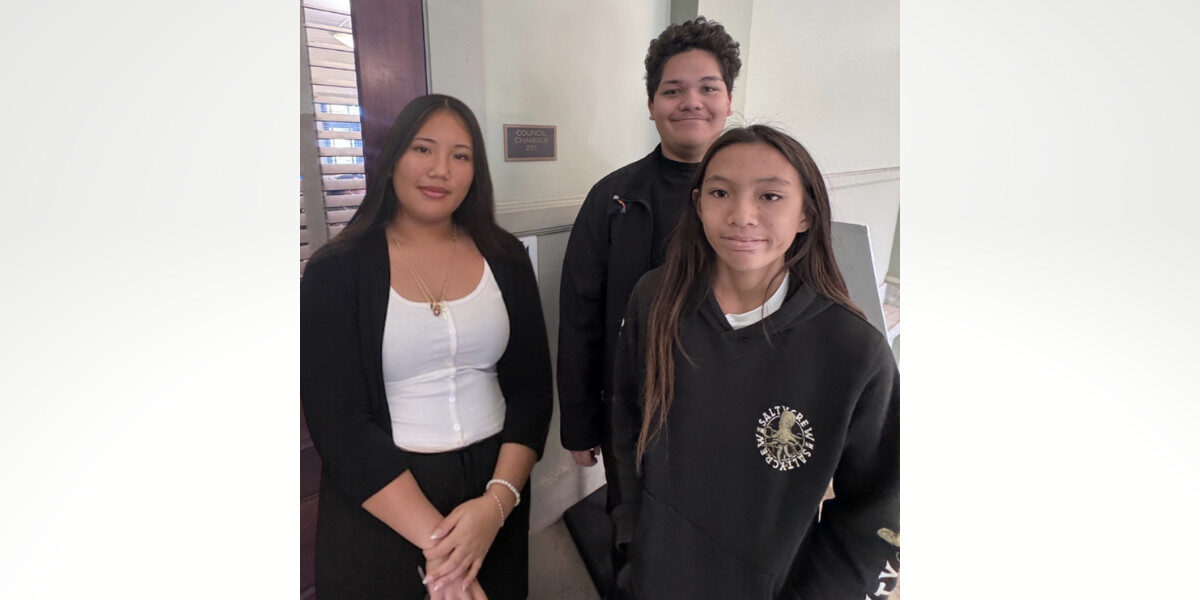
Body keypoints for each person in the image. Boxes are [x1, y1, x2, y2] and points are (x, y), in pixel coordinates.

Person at [609, 125, 900, 599]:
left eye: (769, 196)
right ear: (699, 203)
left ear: (805, 214)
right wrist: (630, 534)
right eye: (721, 192)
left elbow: (880, 508)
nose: (741, 215)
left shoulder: (853, 350)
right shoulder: (655, 299)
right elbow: (625, 426)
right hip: (652, 576)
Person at [301, 93, 553, 600]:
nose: (441, 170)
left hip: (492, 486)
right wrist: (444, 550)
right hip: (385, 494)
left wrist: (497, 505)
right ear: (393, 157)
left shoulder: (506, 257)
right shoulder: (336, 270)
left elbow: (531, 388)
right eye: (423, 149)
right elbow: (340, 422)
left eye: (460, 156)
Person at [557, 12, 741, 512]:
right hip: (631, 401)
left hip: (729, 398)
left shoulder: (757, 200)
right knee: (633, 528)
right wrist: (578, 420)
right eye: (672, 90)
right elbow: (580, 315)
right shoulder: (612, 197)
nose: (691, 103)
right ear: (651, 105)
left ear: (729, 101)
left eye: (708, 88)